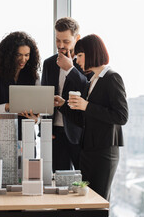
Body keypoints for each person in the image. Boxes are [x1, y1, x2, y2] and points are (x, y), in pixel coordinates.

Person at [54, 34, 128, 200]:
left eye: (79, 56)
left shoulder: (112, 78)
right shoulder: (92, 81)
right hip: (88, 150)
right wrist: (62, 106)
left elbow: (121, 116)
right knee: (87, 200)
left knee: (98, 200)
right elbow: (84, 120)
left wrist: (86, 106)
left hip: (104, 150)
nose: (77, 60)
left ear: (92, 53)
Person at [0, 31, 40, 157]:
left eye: (27, 55)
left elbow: (39, 113)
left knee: (27, 176)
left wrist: (35, 120)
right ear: (9, 55)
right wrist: (6, 107)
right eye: (19, 55)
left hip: (26, 140)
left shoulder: (34, 77)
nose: (23, 59)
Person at [41, 17, 90, 171]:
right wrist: (44, 130)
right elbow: (44, 98)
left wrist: (70, 69)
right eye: (58, 40)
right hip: (55, 133)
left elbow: (87, 89)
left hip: (79, 134)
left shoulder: (86, 64)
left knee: (85, 181)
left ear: (77, 38)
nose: (61, 45)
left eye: (66, 41)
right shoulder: (49, 64)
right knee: (59, 182)